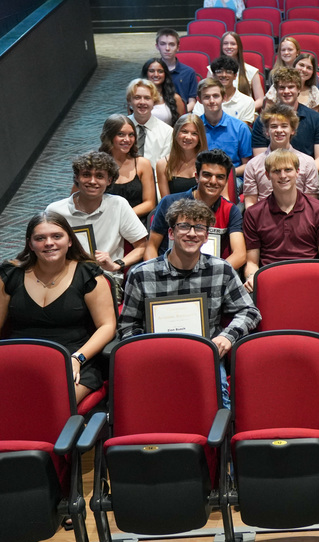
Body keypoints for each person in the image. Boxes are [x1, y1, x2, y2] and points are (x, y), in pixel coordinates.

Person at [120, 198, 260, 407]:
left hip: (205, 357)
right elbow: (127, 327)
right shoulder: (141, 274)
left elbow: (249, 311)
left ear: (206, 236)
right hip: (155, 360)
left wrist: (226, 337)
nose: (192, 233)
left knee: (218, 404)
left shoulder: (220, 270)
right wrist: (149, 349)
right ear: (170, 233)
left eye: (199, 228)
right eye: (184, 226)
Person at [0, 212, 116, 403]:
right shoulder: (10, 275)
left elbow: (107, 326)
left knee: (50, 402)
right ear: (30, 244)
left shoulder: (88, 274)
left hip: (73, 358)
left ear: (69, 240)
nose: (49, 243)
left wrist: (78, 358)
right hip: (18, 358)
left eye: (56, 236)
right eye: (40, 238)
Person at [46, 152, 149, 285]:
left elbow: (141, 246)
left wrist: (117, 265)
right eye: (86, 175)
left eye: (99, 176)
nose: (93, 181)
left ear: (109, 180)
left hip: (106, 278)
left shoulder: (118, 205)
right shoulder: (55, 211)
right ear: (77, 178)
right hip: (65, 278)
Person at [242, 150, 319, 290]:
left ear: (297, 172)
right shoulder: (253, 214)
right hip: (271, 281)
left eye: (288, 170)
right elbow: (252, 262)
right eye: (276, 171)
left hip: (309, 280)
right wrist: (252, 277)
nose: (283, 175)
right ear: (267, 175)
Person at [147, 149, 244, 269]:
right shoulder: (169, 203)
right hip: (168, 275)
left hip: (211, 278)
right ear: (197, 177)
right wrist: (156, 273)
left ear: (225, 182)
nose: (213, 181)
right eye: (207, 175)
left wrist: (213, 274)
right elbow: (151, 247)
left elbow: (239, 254)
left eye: (220, 177)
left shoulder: (230, 210)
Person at [252, 68, 319, 171]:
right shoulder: (263, 120)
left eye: (291, 87)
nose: (286, 91)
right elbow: (260, 158)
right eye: (282, 87)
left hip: (306, 174)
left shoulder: (317, 120)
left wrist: (298, 174)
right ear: (276, 90)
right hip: (272, 176)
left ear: (299, 89)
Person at [243, 104, 319, 207]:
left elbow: (311, 203)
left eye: (284, 126)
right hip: (264, 218)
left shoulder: (308, 162)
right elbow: (250, 203)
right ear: (267, 131)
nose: (279, 130)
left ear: (292, 130)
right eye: (274, 126)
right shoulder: (253, 165)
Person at [97, 115, 157, 220]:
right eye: (121, 134)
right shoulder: (96, 165)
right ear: (110, 136)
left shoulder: (142, 164)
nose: (127, 139)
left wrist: (121, 217)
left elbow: (149, 203)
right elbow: (78, 198)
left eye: (131, 135)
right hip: (104, 221)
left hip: (136, 221)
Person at [197, 78, 252, 180]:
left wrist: (222, 175)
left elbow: (247, 165)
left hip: (232, 177)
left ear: (224, 98)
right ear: (199, 100)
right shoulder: (195, 127)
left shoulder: (240, 128)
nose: (212, 101)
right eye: (206, 97)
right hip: (202, 178)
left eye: (216, 96)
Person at [210, 32, 265, 110]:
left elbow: (260, 100)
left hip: (245, 112)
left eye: (233, 44)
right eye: (225, 43)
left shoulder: (251, 71)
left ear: (238, 47)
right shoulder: (212, 70)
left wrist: (245, 109)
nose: (229, 46)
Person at [194, 56, 256, 125]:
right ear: (213, 75)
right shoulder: (205, 100)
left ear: (235, 76)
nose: (224, 75)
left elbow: (241, 131)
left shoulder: (247, 102)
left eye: (228, 72)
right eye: (219, 71)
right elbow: (198, 125)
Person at [156, 114, 206, 199]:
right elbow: (166, 202)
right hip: (174, 211)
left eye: (194, 133)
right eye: (184, 131)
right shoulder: (163, 165)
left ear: (200, 137)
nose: (188, 137)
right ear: (176, 132)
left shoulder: (208, 162)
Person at [126, 78, 173, 166]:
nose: (142, 102)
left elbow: (164, 167)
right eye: (137, 97)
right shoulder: (119, 128)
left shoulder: (167, 132)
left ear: (154, 102)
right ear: (129, 101)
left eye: (147, 98)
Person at [156, 28, 197, 111]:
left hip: (181, 116)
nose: (167, 48)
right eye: (163, 44)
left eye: (171, 44)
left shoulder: (189, 72)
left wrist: (181, 114)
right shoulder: (151, 71)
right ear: (157, 46)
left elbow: (192, 101)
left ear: (178, 47)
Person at [142, 58, 183, 125]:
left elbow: (180, 126)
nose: (156, 75)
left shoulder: (175, 98)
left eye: (160, 71)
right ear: (146, 73)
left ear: (165, 74)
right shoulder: (137, 98)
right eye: (151, 71)